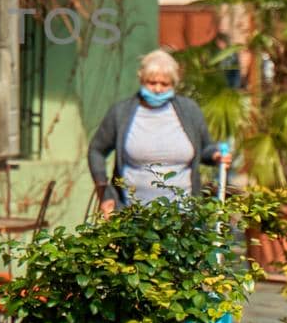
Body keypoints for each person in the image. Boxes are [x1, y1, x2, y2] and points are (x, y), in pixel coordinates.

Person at [88, 49, 231, 215]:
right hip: (132, 215)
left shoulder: (189, 110)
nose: (157, 89)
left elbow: (206, 148)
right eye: (151, 82)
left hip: (183, 217)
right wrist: (103, 190)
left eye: (165, 84)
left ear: (173, 84)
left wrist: (216, 155)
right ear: (141, 80)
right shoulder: (121, 113)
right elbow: (96, 150)